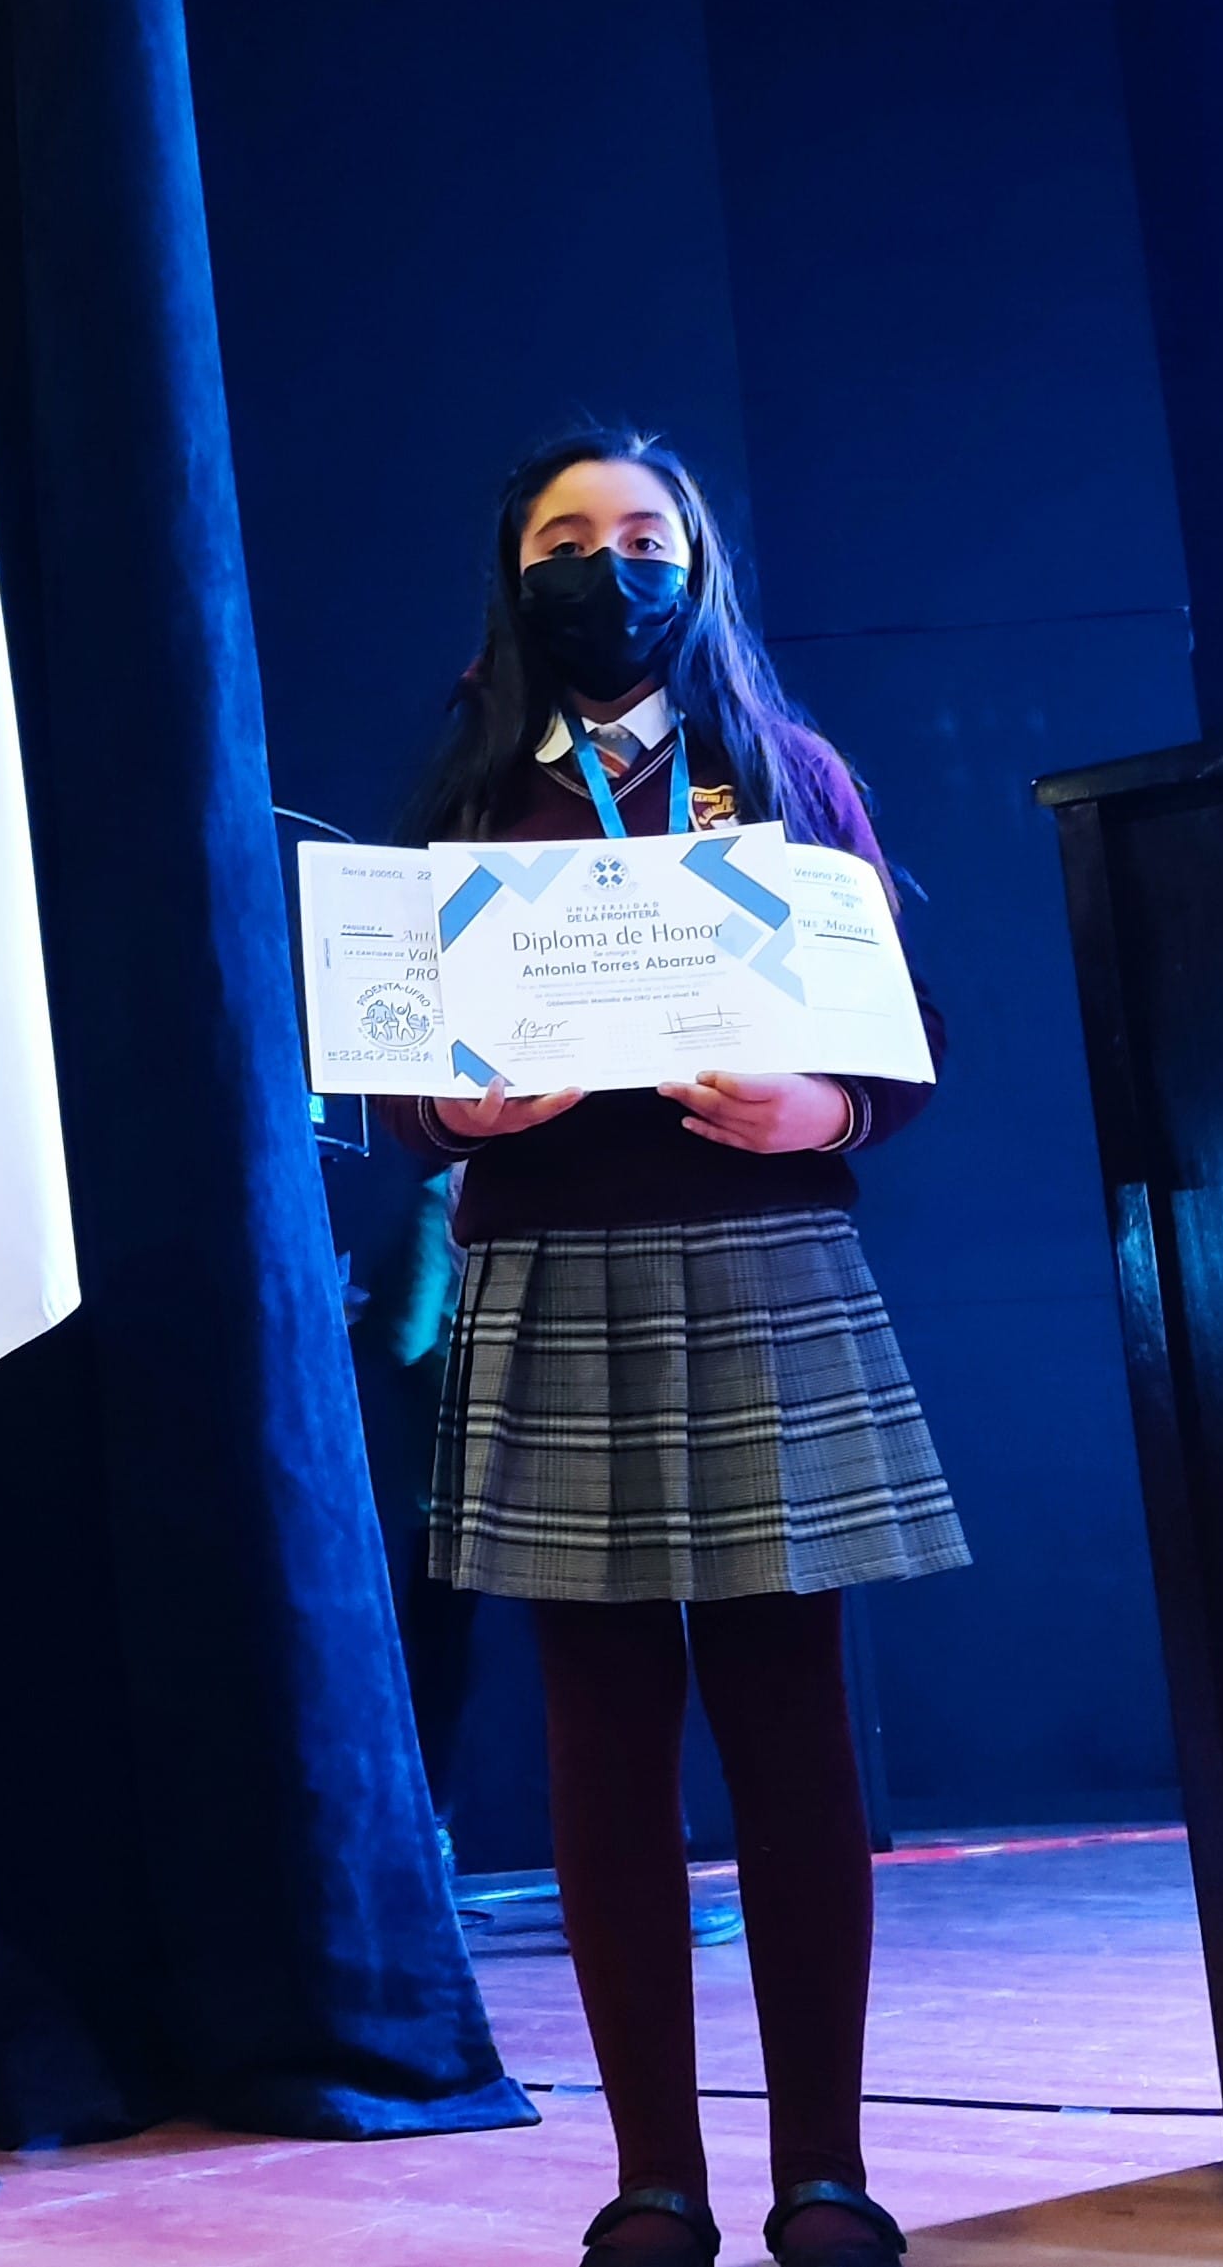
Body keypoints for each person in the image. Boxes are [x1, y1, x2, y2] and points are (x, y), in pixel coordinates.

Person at [378, 429, 966, 2267]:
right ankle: (651, 2177)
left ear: (698, 572)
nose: (610, 567)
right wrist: (454, 1118)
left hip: (765, 1259)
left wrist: (830, 1113)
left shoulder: (786, 775)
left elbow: (903, 1039)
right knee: (600, 1737)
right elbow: (406, 1063)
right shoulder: (470, 793)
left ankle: (823, 2170)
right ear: (514, 571)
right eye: (569, 538)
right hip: (551, 1274)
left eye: (645, 537)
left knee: (792, 1723)